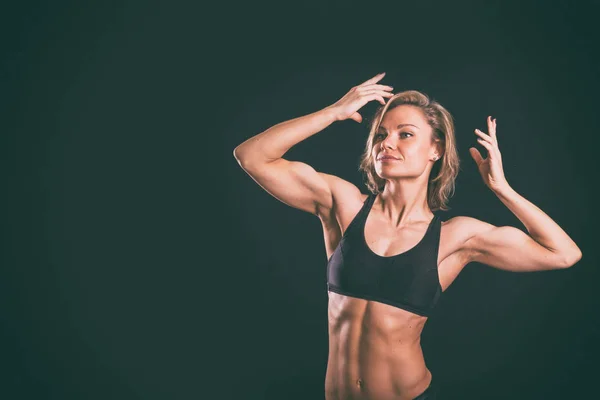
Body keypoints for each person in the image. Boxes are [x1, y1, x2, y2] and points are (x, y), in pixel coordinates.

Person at [232, 72, 582, 400]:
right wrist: (333, 112)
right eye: (381, 134)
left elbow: (563, 253)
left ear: (437, 150)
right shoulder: (344, 205)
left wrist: (501, 188)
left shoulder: (454, 236)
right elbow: (252, 156)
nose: (388, 143)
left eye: (406, 134)